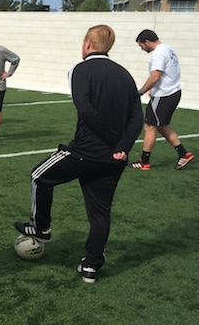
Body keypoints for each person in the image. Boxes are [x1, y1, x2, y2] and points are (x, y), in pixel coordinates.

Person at [14, 25, 143, 283]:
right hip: (113, 159)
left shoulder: (79, 69)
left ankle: (41, 228)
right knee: (100, 212)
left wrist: (111, 141)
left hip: (85, 151)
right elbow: (137, 117)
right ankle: (91, 266)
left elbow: (84, 108)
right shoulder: (125, 75)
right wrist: (122, 147)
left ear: (87, 43)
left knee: (39, 176)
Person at [130, 29, 194, 170]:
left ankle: (144, 161)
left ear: (147, 42)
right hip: (172, 92)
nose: (142, 48)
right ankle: (183, 153)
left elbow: (155, 77)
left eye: (141, 45)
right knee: (160, 125)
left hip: (164, 95)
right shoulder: (168, 49)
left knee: (150, 126)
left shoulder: (158, 53)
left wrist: (140, 92)